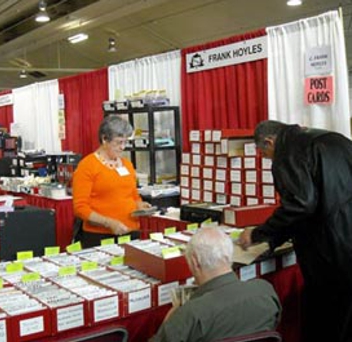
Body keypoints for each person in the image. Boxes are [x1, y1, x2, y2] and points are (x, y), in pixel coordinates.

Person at [238, 120, 352, 342]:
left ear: (270, 142)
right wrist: (274, 237)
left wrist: (259, 233)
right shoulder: (332, 138)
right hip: (346, 238)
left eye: (263, 153)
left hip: (329, 248)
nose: (264, 158)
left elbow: (301, 204)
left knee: (327, 313)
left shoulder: (288, 151)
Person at [151, 227, 281, 342]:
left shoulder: (188, 314)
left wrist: (167, 323)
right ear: (230, 255)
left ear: (195, 262)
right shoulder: (265, 291)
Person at [72, 115, 151, 248]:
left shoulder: (127, 165)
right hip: (100, 236)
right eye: (119, 142)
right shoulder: (87, 166)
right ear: (104, 139)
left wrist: (140, 206)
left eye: (125, 142)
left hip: (131, 232)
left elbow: (133, 196)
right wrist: (109, 223)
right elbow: (80, 208)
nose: (123, 147)